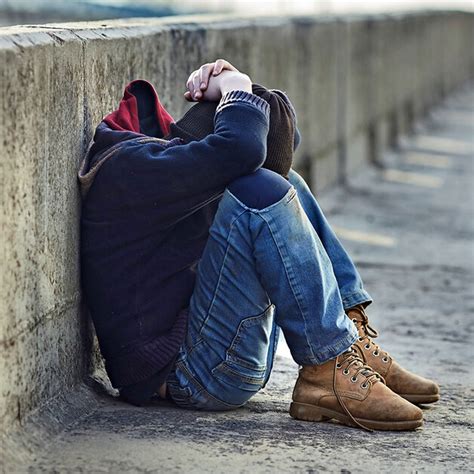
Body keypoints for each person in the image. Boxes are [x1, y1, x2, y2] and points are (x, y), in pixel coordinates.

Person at [78, 59, 439, 431]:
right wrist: (236, 86)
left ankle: (348, 339)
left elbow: (266, 153)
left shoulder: (173, 157)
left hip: (222, 353)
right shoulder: (135, 166)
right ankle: (326, 368)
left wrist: (243, 91)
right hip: (191, 377)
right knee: (260, 191)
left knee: (286, 184)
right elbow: (242, 149)